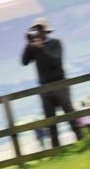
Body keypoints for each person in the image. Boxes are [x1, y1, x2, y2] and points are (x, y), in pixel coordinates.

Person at [21, 17, 83, 148]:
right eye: (35, 30)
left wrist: (41, 48)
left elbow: (56, 61)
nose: (37, 32)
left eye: (39, 29)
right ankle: (55, 149)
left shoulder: (56, 43)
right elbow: (24, 61)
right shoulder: (34, 47)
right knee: (50, 121)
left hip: (60, 84)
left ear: (45, 31)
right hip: (44, 87)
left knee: (69, 114)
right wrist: (29, 44)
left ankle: (82, 141)